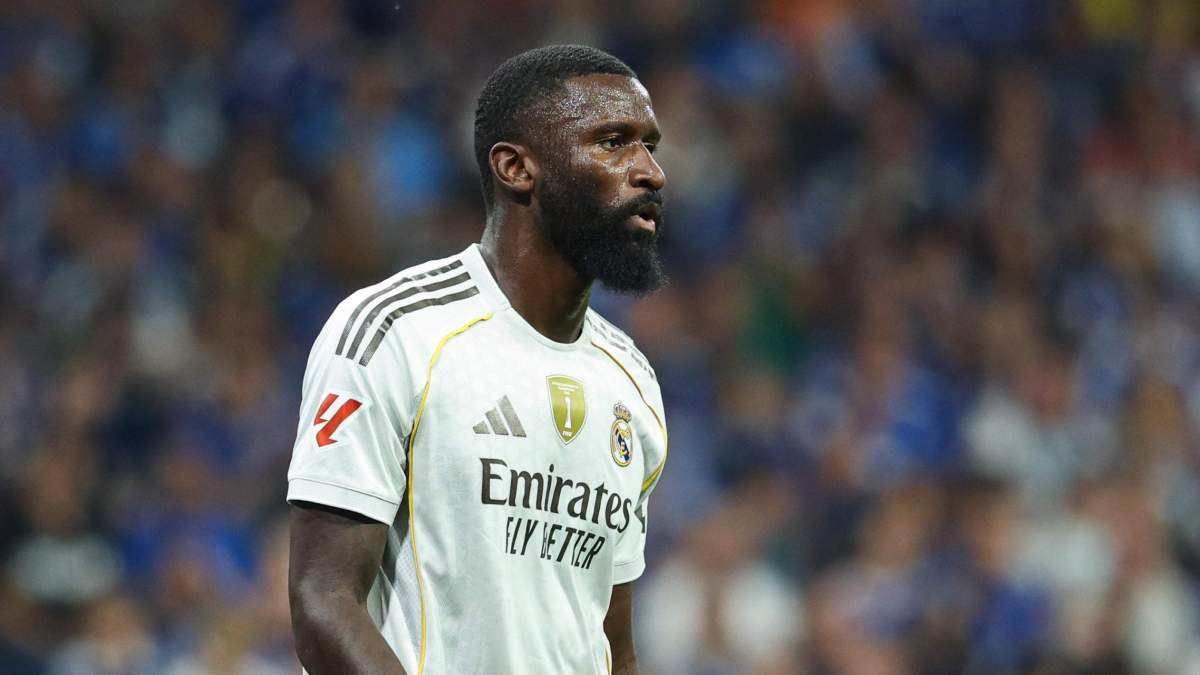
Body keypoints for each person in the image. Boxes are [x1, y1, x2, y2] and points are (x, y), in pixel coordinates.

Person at [286, 45, 669, 675]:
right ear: (517, 168)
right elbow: (323, 601)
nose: (650, 171)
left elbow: (612, 646)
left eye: (649, 144)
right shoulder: (396, 331)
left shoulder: (633, 381)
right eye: (613, 142)